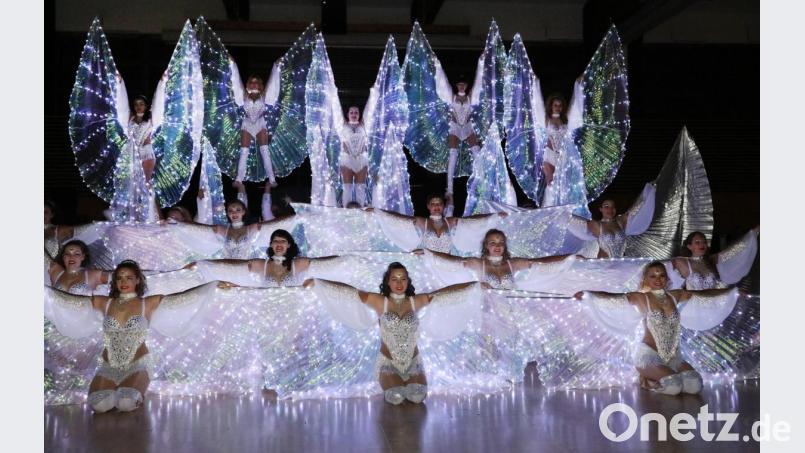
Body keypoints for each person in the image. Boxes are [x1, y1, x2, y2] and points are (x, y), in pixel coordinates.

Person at [44, 260, 222, 412]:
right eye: (119, 278)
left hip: (137, 364)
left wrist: (214, 285)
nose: (124, 281)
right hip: (109, 366)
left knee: (126, 403)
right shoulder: (103, 302)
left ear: (137, 280)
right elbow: (67, 301)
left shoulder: (148, 303)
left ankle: (134, 389)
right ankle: (116, 388)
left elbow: (186, 297)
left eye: (129, 277)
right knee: (99, 405)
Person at [305, 262, 474, 404]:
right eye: (394, 279)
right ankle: (392, 381)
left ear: (408, 281)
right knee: (397, 397)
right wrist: (319, 282)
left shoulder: (416, 301)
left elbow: (445, 292)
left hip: (413, 362)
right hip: (388, 363)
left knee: (417, 397)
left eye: (403, 279)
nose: (399, 283)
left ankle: (409, 379)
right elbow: (351, 292)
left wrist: (474, 285)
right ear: (388, 282)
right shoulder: (380, 302)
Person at [574, 261, 736, 395]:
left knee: (695, 386)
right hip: (648, 356)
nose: (658, 279)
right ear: (645, 279)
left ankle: (662, 374)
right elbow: (614, 297)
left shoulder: (676, 295)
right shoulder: (642, 298)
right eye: (653, 276)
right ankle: (647, 381)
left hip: (673, 356)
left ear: (667, 278)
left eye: (661, 275)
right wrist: (589, 294)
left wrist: (731, 292)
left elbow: (704, 294)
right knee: (674, 386)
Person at [422, 229, 575, 290]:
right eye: (493, 243)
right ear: (486, 246)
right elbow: (453, 260)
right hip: (488, 316)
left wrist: (569, 257)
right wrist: (428, 253)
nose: (497, 246)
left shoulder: (512, 263)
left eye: (501, 243)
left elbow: (541, 261)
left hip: (511, 312)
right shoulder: (479, 264)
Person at [670, 227, 759, 290]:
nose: (702, 245)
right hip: (693, 308)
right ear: (689, 246)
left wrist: (754, 232)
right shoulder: (681, 261)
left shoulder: (712, 260)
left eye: (704, 242)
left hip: (714, 304)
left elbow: (734, 251)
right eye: (697, 242)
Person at [234, 74, 278, 188]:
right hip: (247, 123)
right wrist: (233, 65)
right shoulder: (244, 95)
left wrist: (276, 67)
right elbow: (237, 81)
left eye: (256, 82)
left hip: (260, 123)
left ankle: (272, 179)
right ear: (249, 84)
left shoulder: (264, 95)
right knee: (244, 152)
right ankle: (239, 179)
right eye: (252, 82)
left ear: (259, 85)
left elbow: (271, 82)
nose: (254, 84)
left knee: (265, 150)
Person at [446, 76, 480, 205]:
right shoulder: (452, 96)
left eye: (463, 84)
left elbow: (478, 82)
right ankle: (449, 191)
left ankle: (480, 184)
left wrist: (482, 63)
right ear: (456, 85)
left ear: (466, 86)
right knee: (453, 156)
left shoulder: (471, 97)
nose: (461, 86)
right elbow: (441, 82)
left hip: (467, 126)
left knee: (477, 153)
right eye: (459, 84)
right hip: (454, 126)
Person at [339, 106, 369, 207]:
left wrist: (375, 93)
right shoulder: (343, 125)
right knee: (347, 188)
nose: (354, 114)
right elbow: (337, 108)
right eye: (351, 112)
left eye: (356, 112)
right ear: (347, 115)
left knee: (360, 188)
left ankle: (361, 213)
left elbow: (369, 107)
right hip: (347, 159)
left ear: (359, 115)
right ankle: (345, 212)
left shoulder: (364, 126)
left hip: (361, 159)